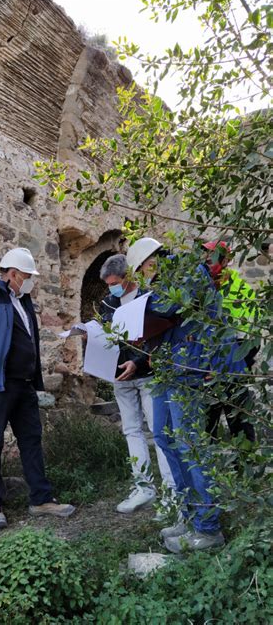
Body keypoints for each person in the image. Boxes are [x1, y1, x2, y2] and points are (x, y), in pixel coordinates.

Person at [126, 237, 246, 553]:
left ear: (150, 261)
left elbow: (166, 306)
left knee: (190, 443)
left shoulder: (185, 272)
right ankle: (190, 515)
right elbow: (161, 324)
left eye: (140, 271)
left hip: (189, 368)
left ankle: (208, 529)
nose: (141, 278)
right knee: (165, 438)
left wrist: (133, 310)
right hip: (169, 370)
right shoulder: (161, 282)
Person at [0, 247, 75, 529]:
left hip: (24, 384)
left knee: (31, 440)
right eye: (27, 276)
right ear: (11, 274)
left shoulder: (24, 301)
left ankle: (41, 499)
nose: (31, 281)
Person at [99, 253, 176, 514]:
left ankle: (171, 491)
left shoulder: (149, 298)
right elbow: (109, 338)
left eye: (115, 282)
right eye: (108, 284)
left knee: (159, 432)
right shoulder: (106, 304)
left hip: (147, 376)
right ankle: (144, 488)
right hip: (120, 378)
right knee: (131, 431)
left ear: (128, 277)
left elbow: (156, 337)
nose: (112, 288)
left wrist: (137, 363)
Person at [202, 240, 257, 442]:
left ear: (226, 261)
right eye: (206, 258)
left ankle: (245, 469)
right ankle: (209, 471)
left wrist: (237, 368)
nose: (208, 261)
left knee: (241, 424)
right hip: (206, 371)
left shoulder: (240, 291)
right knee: (206, 428)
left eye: (213, 257)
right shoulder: (201, 287)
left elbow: (251, 338)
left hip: (232, 368)